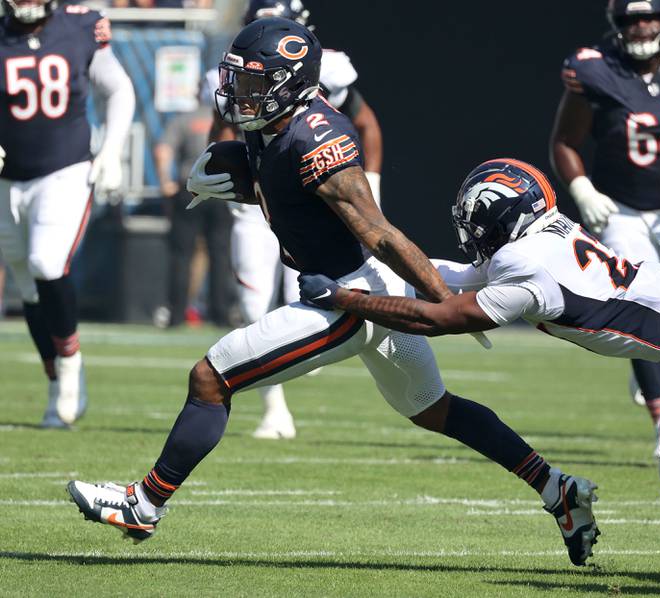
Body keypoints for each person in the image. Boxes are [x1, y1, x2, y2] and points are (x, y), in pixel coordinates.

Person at [66, 18, 600, 567]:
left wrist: (440, 300)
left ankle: (145, 502)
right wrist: (240, 186)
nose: (238, 94)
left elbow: (381, 234)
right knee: (434, 410)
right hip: (353, 285)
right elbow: (289, 196)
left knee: (211, 376)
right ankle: (557, 489)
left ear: (288, 84)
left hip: (347, 296)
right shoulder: (271, 123)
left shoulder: (316, 140)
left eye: (253, 83)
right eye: (239, 80)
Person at [298, 157, 660, 552]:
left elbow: (438, 318)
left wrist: (343, 299)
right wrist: (372, 259)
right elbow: (448, 277)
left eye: (478, 222)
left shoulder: (527, 271)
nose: (473, 233)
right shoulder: (550, 233)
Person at [203, 0, 386, 440]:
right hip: (263, 198)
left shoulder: (331, 74)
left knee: (306, 289)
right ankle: (274, 406)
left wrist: (371, 185)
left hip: (310, 199)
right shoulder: (230, 75)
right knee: (252, 302)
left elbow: (368, 125)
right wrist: (216, 169)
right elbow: (223, 126)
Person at [550, 0, 660, 442]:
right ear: (615, 22)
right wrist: (582, 188)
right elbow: (565, 141)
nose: (640, 26)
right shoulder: (594, 69)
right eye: (630, 18)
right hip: (623, 208)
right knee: (636, 305)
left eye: (648, 16)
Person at [0, 0, 134, 427]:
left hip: (66, 170)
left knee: (46, 262)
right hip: (8, 177)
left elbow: (117, 87)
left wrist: (112, 149)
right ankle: (55, 377)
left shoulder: (79, 26)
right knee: (27, 284)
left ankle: (71, 363)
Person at [154, 104, 234, 328]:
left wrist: (164, 183)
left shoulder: (183, 119)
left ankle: (176, 315)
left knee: (181, 255)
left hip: (190, 189)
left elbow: (162, 151)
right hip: (222, 190)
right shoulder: (231, 120)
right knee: (220, 255)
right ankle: (221, 314)